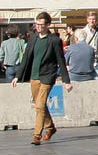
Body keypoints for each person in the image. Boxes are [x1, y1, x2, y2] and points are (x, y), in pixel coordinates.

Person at [11, 11, 73, 145]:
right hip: (34, 76)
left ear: (48, 25)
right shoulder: (33, 38)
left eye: (41, 24)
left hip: (47, 76)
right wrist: (17, 76)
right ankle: (50, 127)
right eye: (36, 24)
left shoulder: (54, 40)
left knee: (39, 105)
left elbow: (60, 60)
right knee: (39, 105)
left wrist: (66, 80)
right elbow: (26, 58)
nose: (38, 27)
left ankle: (36, 135)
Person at [76, 11, 98, 79]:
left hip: (96, 59)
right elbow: (79, 45)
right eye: (90, 19)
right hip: (86, 59)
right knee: (86, 80)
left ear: (96, 20)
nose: (92, 21)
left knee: (97, 79)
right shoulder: (83, 31)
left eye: (93, 19)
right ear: (87, 20)